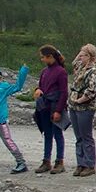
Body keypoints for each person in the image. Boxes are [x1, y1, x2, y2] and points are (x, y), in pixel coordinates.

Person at [33, 45, 70, 174]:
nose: (42, 59)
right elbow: (40, 86)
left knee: (58, 134)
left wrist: (59, 110)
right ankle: (46, 161)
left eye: (43, 57)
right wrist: (37, 90)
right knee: (47, 134)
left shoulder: (61, 72)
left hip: (55, 107)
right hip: (44, 107)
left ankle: (60, 162)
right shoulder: (44, 72)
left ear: (50, 57)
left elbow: (64, 93)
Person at [68, 44, 96, 177]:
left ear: (90, 57)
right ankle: (80, 163)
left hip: (85, 107)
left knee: (86, 136)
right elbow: (74, 63)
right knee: (78, 137)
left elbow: (92, 89)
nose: (80, 57)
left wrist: (81, 99)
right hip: (73, 106)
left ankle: (89, 164)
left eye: (83, 55)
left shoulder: (94, 71)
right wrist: (82, 51)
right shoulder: (80, 68)